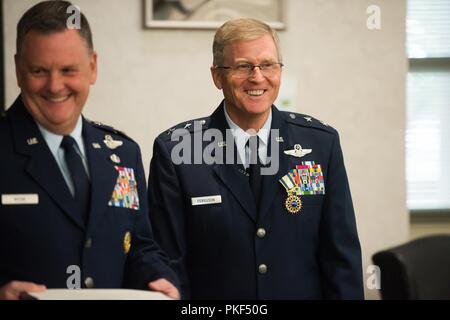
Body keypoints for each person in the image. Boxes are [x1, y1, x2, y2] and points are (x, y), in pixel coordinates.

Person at [148, 18, 364, 299]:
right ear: (217, 76)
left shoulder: (321, 144)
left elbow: (341, 261)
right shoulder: (177, 151)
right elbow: (169, 264)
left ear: (280, 71)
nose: (258, 77)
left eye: (268, 65)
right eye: (242, 66)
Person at [0, 1, 179, 300]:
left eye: (68, 70)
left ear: (92, 68)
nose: (55, 86)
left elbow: (139, 245)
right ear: (19, 70)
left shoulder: (123, 153)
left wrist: (158, 278)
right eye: (39, 71)